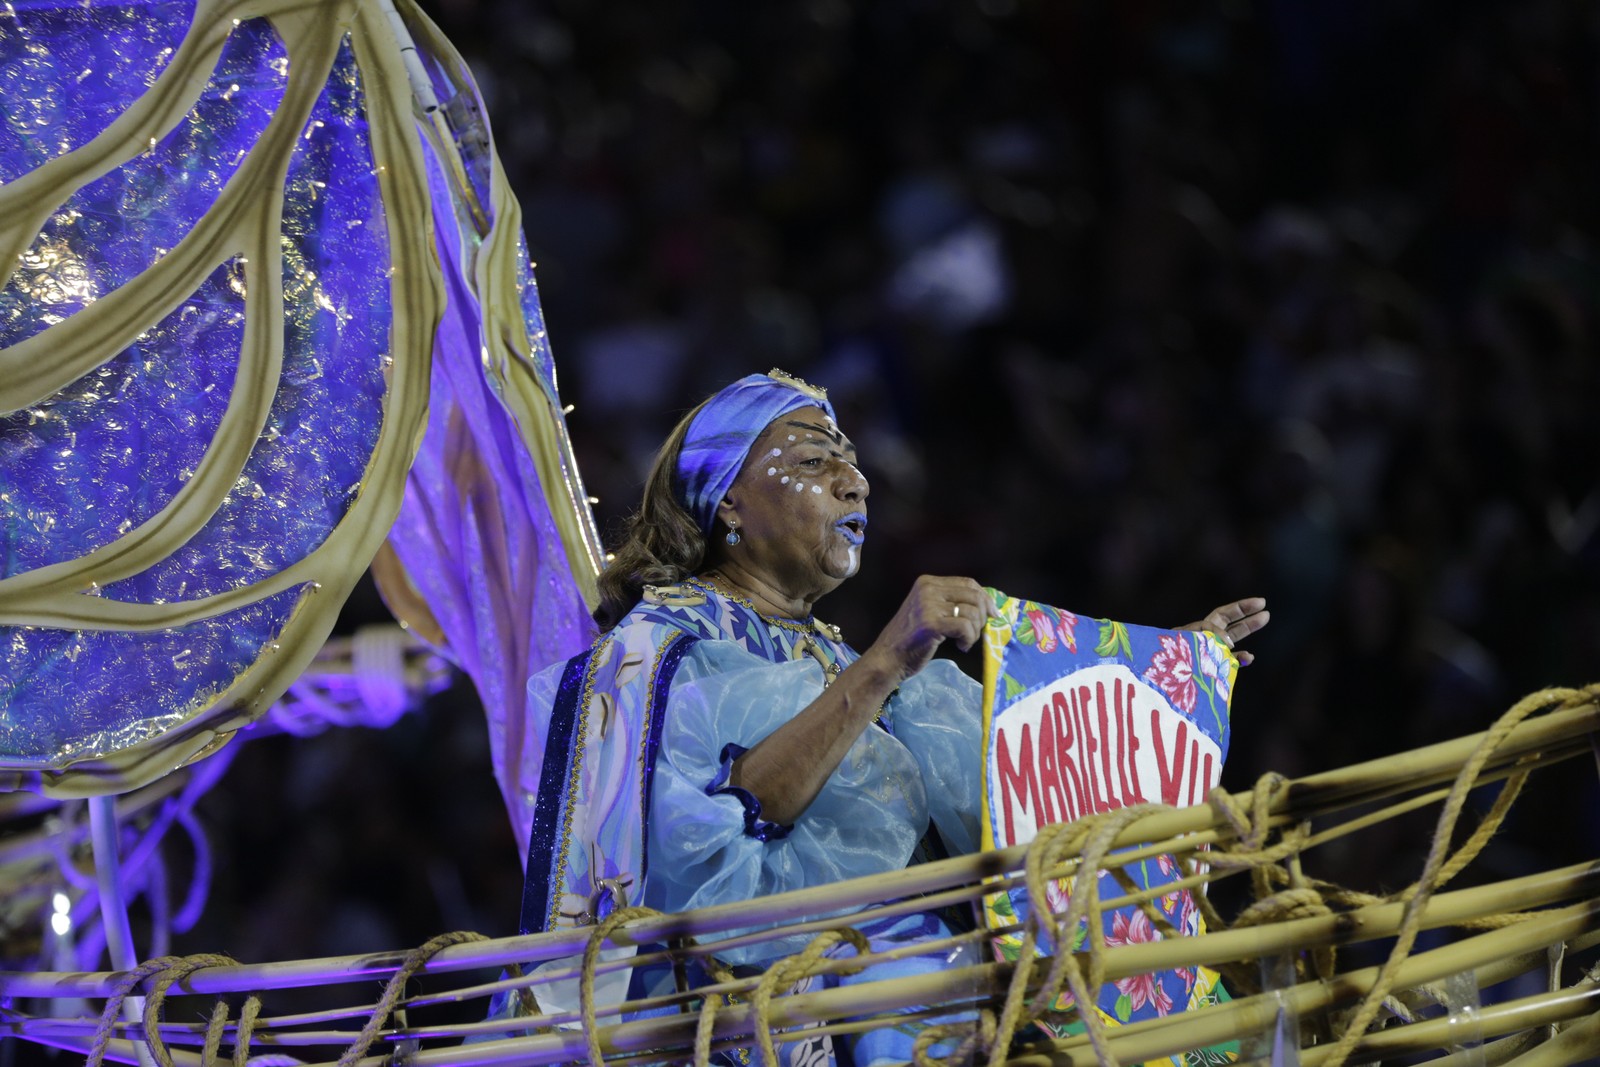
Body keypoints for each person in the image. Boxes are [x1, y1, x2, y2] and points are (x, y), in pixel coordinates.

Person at [516, 369, 1269, 1064]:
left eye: (851, 462)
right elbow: (709, 864)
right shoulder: (657, 650)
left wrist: (1155, 681)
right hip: (797, 1012)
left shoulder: (845, 659)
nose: (856, 481)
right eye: (813, 462)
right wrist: (884, 663)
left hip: (930, 979)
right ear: (728, 499)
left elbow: (1025, 790)